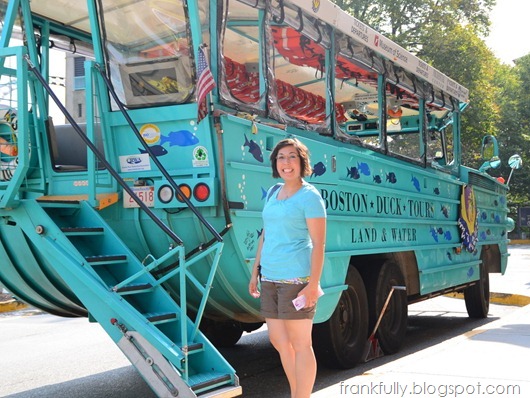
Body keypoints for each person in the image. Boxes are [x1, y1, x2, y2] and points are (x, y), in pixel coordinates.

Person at [248, 137, 326, 398]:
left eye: (292, 156)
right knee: (280, 343)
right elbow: (265, 234)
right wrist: (255, 271)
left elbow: (318, 244)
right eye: (281, 157)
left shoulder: (310, 196)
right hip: (270, 278)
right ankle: (297, 392)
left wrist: (313, 285)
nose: (286, 162)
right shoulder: (273, 192)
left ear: (302, 161)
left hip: (297, 280)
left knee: (301, 344)